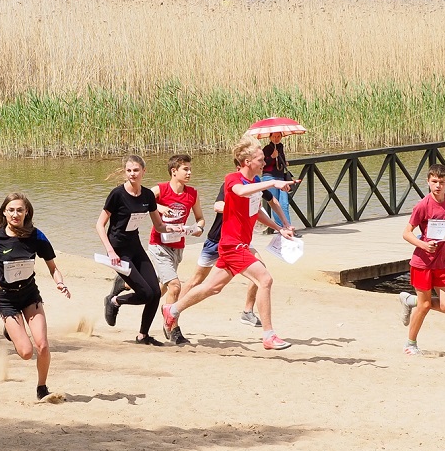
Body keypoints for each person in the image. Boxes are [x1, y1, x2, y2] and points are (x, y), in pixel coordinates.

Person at [161, 137, 297, 350]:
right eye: (260, 160)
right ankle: (269, 335)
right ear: (247, 162)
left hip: (237, 244)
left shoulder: (255, 182)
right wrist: (273, 182)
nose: (264, 163)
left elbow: (256, 212)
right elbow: (240, 192)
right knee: (265, 279)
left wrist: (280, 228)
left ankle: (172, 310)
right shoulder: (233, 179)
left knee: (211, 288)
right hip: (233, 245)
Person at [0, 192, 70, 402]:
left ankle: (42, 387)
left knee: (43, 345)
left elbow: (53, 267)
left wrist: (60, 283)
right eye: (11, 210)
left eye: (20, 210)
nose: (15, 214)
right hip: (7, 298)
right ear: (4, 212)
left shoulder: (36, 236)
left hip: (30, 295)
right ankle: (10, 330)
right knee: (26, 352)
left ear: (26, 212)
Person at [97, 155, 184, 346]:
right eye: (129, 170)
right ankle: (114, 301)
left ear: (144, 171)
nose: (132, 174)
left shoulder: (147, 196)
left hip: (135, 246)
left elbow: (159, 226)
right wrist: (110, 251)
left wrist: (174, 228)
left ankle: (143, 336)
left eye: (136, 170)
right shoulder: (117, 194)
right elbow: (99, 225)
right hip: (118, 250)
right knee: (145, 294)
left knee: (155, 293)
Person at [178, 178, 286, 330]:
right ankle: (173, 311)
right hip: (216, 240)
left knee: (261, 270)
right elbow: (217, 206)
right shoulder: (232, 184)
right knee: (197, 280)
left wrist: (284, 223)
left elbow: (272, 199)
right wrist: (241, 207)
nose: (261, 167)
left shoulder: (256, 183)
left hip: (239, 241)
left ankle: (247, 311)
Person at [397, 165, 445, 355]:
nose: (438, 185)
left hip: (441, 262)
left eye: (441, 182)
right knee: (425, 305)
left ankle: (409, 300)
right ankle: (410, 344)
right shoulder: (422, 205)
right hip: (422, 262)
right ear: (428, 182)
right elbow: (406, 233)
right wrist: (423, 245)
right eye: (434, 182)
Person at [148, 154, 203, 345]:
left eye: (190, 169)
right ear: (174, 171)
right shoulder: (160, 189)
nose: (189, 172)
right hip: (158, 245)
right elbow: (140, 200)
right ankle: (172, 328)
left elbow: (200, 218)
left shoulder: (192, 194)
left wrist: (198, 228)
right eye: (185, 169)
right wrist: (159, 207)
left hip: (178, 247)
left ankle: (123, 285)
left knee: (159, 289)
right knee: (175, 286)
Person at [261, 133, 293, 229]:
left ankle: (288, 226)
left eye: (278, 136)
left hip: (280, 177)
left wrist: (284, 161)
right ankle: (282, 228)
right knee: (275, 203)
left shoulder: (280, 147)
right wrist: (272, 157)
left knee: (284, 203)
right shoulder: (267, 148)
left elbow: (281, 162)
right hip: (269, 177)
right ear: (270, 137)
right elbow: (262, 164)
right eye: (274, 136)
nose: (276, 138)